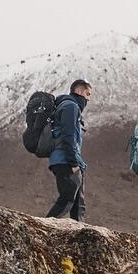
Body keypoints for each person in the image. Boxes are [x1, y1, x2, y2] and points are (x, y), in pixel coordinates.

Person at [45, 79, 92, 221]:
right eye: (87, 94)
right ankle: (43, 229)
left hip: (70, 160)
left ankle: (81, 239)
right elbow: (68, 136)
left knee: (78, 206)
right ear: (78, 91)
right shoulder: (70, 107)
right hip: (66, 160)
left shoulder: (68, 106)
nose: (88, 99)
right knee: (67, 199)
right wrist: (73, 163)